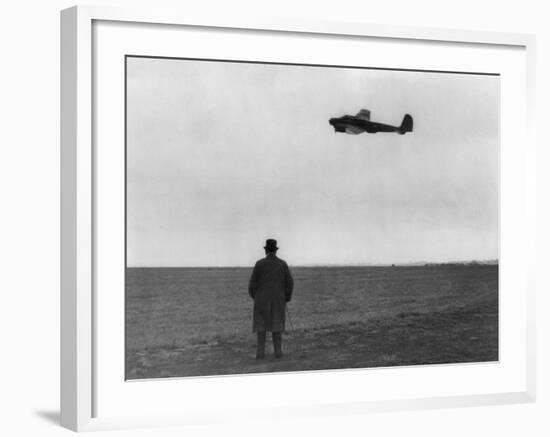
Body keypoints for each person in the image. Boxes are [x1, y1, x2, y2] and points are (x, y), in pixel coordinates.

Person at [248, 239, 294, 359]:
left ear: (266, 250)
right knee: (277, 326)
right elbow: (290, 283)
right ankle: (278, 353)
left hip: (261, 301)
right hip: (278, 301)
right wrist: (285, 297)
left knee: (261, 327)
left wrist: (256, 297)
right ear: (275, 250)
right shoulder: (282, 264)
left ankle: (260, 354)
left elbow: (252, 285)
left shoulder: (259, 264)